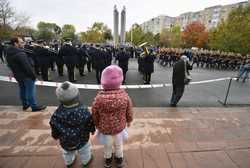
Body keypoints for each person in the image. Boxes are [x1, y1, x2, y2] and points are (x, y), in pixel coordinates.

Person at [92, 65, 133, 168]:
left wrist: (96, 124)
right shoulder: (125, 96)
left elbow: (94, 113)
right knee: (119, 145)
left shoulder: (98, 98)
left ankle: (108, 161)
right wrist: (129, 120)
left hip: (105, 129)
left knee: (107, 146)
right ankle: (119, 160)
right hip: (119, 128)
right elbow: (129, 110)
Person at [49, 81, 95, 168]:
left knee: (67, 153)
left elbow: (54, 126)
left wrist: (55, 135)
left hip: (66, 141)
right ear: (77, 96)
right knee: (85, 151)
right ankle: (86, 161)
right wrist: (92, 130)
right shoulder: (84, 111)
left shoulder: (56, 114)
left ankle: (69, 162)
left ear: (59, 99)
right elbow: (90, 122)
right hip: (83, 139)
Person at [6, 37, 46, 112]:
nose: (23, 44)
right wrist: (33, 76)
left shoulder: (9, 52)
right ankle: (34, 106)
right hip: (26, 76)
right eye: (21, 42)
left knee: (23, 90)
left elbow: (9, 65)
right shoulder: (20, 53)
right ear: (15, 43)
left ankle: (25, 105)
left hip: (18, 75)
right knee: (30, 91)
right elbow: (27, 67)